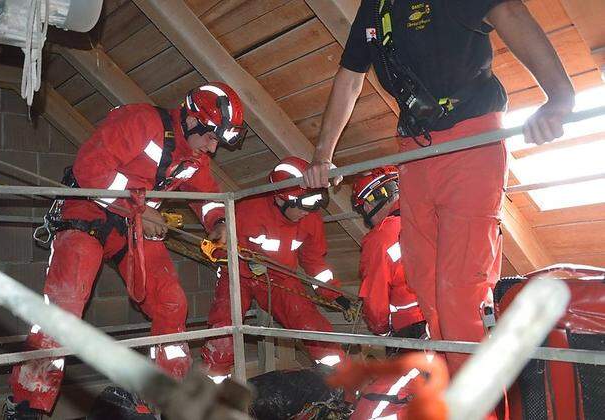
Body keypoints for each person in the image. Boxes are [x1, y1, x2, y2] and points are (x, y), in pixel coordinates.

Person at [302, 0, 574, 379]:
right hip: (414, 147)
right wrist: (322, 155)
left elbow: (509, 11)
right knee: (424, 279)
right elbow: (350, 76)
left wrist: (560, 97)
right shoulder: (375, 7)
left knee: (461, 287)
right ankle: (450, 385)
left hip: (470, 138)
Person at [2, 82, 247, 418]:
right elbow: (89, 168)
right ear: (191, 120)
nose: (213, 147)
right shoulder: (140, 121)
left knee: (171, 303)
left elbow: (206, 195)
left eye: (218, 140)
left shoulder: (194, 156)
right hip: (87, 212)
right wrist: (137, 208)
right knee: (65, 303)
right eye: (210, 136)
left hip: (132, 228)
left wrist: (218, 221)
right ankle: (27, 403)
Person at [201, 157, 353, 382]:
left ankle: (339, 382)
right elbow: (216, 246)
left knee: (309, 321)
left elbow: (314, 262)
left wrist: (334, 293)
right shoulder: (248, 210)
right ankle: (214, 384)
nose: (308, 212)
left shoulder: (311, 220)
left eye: (314, 205)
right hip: (238, 275)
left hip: (280, 277)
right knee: (225, 326)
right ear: (282, 200)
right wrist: (240, 258)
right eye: (304, 205)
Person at [351, 166, 425, 339]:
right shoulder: (428, 216)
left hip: (413, 328)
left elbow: (375, 299)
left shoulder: (380, 238)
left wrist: (381, 329)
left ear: (368, 206)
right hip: (451, 317)